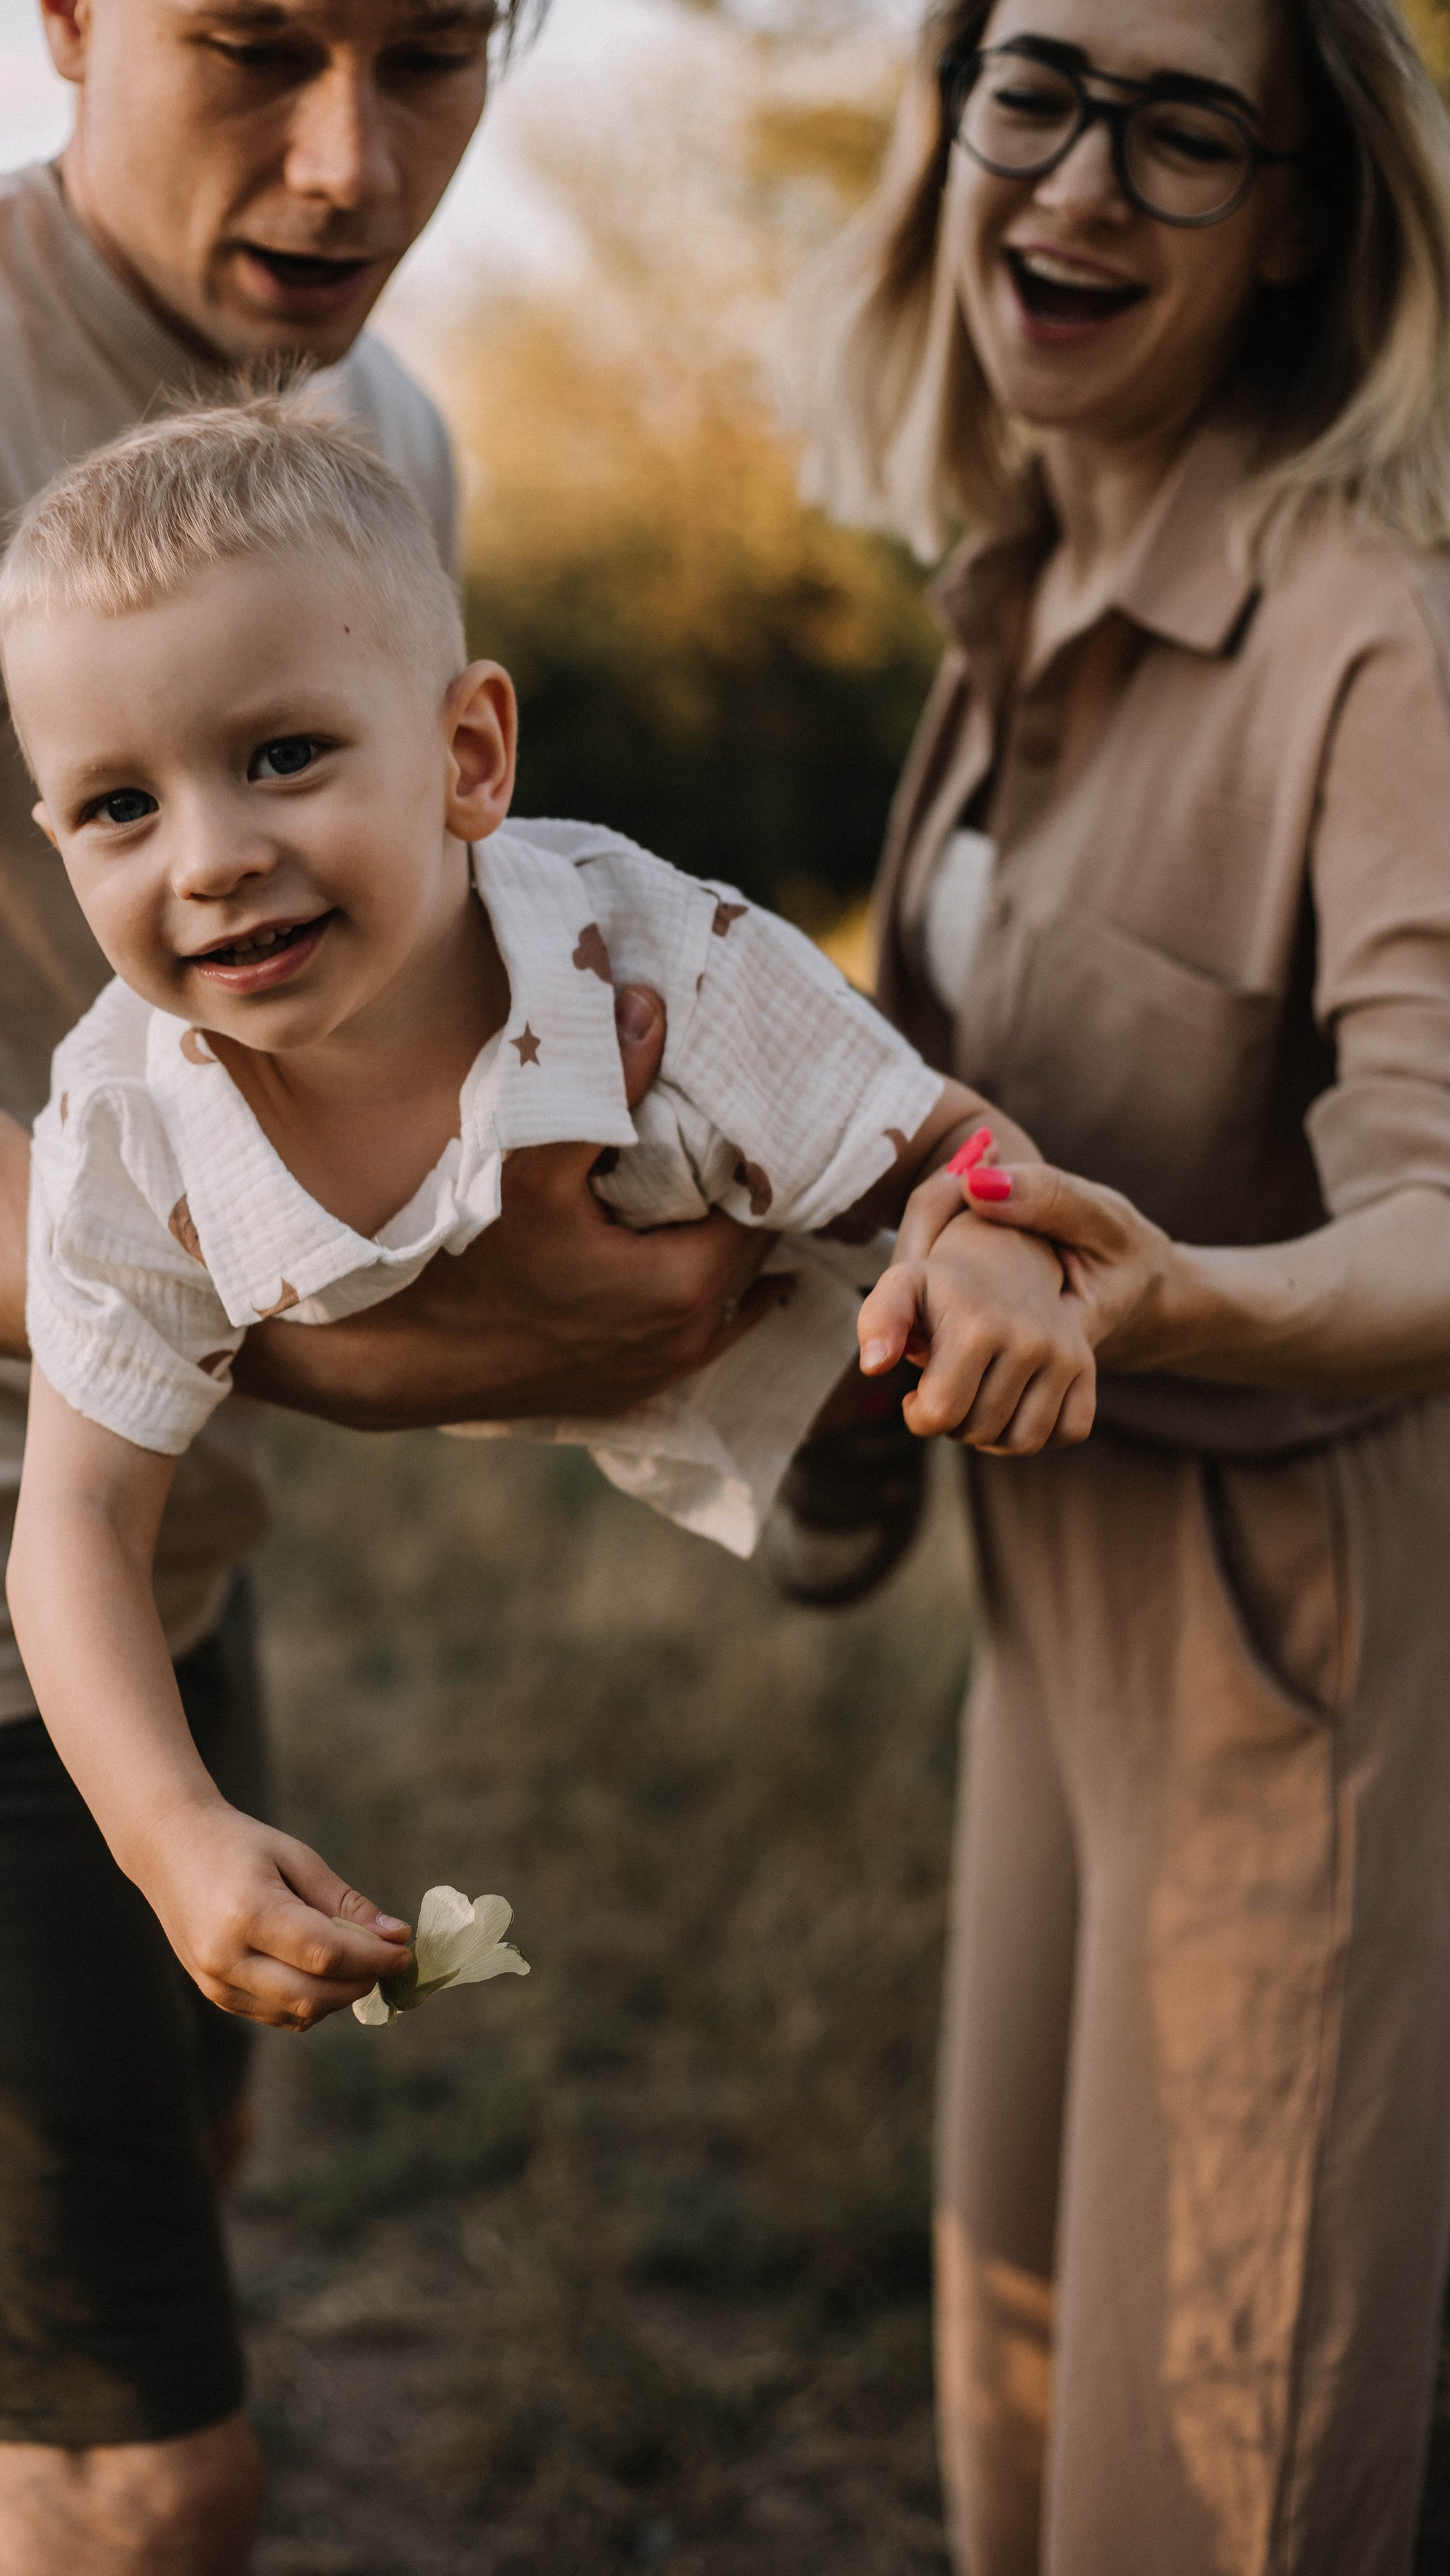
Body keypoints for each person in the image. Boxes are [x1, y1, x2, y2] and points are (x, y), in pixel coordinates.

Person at [0, 7, 797, 2569]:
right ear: (75, 22)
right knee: (131, 2488)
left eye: (433, 59)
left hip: (173, 1526)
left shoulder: (376, 439)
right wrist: (333, 1339)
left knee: (193, 2183)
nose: (352, 162)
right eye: (255, 46)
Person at [0, 395, 1096, 2030]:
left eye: (282, 756)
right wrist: (172, 1834)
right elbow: (73, 1526)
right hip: (477, 1337)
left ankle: (851, 1444)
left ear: (468, 757)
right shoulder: (125, 1130)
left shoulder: (667, 964)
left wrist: (988, 1236)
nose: (210, 860)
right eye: (118, 809)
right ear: (56, 843)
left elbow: (949, 1139)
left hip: (766, 1260)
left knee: (890, 1335)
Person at [802, 0, 1450, 2567]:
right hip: (1035, 1629)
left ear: (1297, 210)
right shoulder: (1009, 587)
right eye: (1039, 87)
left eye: (1189, 131)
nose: (1078, 186)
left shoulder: (1374, 631)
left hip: (1281, 1646)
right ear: (949, 108)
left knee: (1217, 2479)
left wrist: (1181, 1305)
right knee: (1022, 2407)